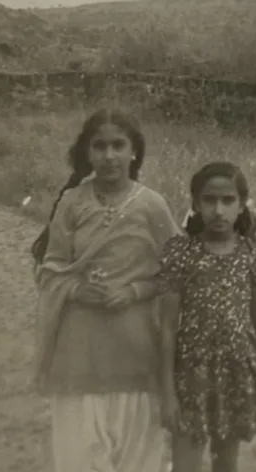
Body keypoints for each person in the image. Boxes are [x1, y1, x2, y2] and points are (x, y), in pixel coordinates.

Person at [33, 107, 180, 472]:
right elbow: (49, 271)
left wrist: (133, 291)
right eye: (99, 146)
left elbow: (178, 274)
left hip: (136, 349)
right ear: (87, 153)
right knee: (79, 455)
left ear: (135, 152)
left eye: (119, 145)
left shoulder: (152, 205)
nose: (109, 155)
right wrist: (77, 289)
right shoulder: (71, 203)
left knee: (137, 456)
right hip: (79, 350)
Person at [158, 161, 256, 472]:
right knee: (187, 463)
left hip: (236, 372)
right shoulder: (181, 253)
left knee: (226, 463)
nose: (219, 210)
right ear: (196, 204)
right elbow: (167, 328)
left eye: (228, 200)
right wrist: (168, 394)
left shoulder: (252, 254)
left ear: (241, 205)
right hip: (191, 374)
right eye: (210, 200)